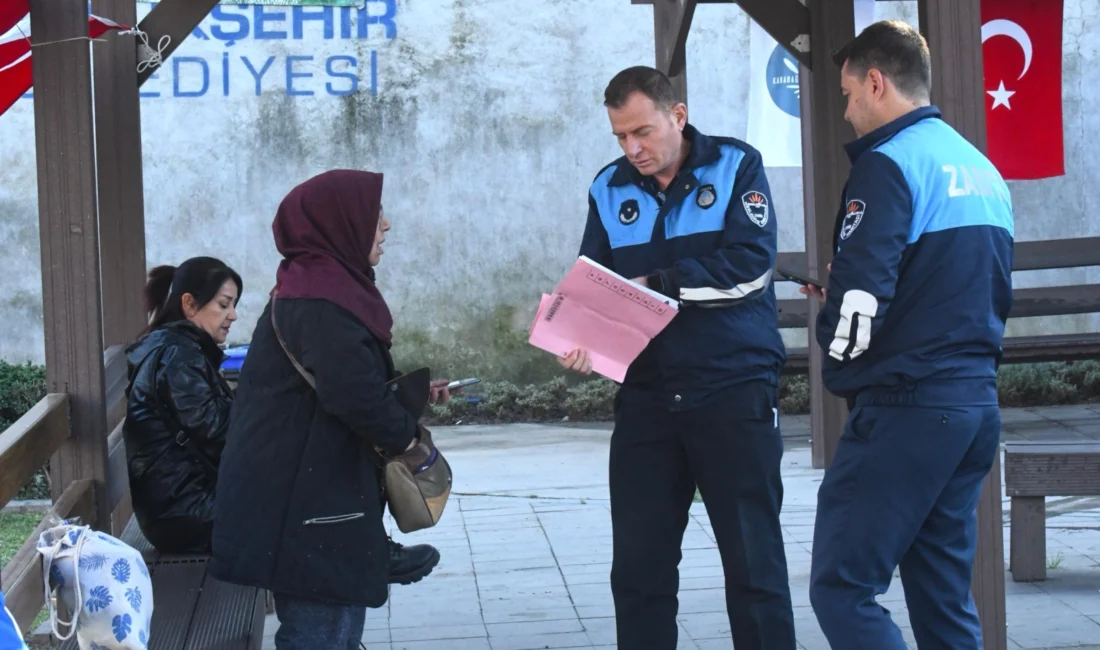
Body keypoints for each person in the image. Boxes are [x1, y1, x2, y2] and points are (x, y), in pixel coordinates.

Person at [560, 66, 795, 649]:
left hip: (731, 388)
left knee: (753, 565)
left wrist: (660, 282)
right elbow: (597, 281)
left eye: (642, 131)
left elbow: (750, 268)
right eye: (619, 136)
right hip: (646, 397)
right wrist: (582, 334)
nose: (632, 149)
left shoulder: (736, 166)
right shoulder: (607, 187)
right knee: (638, 572)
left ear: (678, 116)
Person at [800, 21, 1014, 650]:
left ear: (876, 81)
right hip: (974, 406)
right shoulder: (979, 168)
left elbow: (858, 310)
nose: (845, 111)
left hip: (907, 409)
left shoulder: (887, 165)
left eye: (846, 95)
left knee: (842, 587)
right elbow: (971, 287)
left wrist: (833, 327)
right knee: (942, 596)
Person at [209, 170, 454, 649]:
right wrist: (410, 443)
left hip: (305, 496)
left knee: (332, 626)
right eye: (373, 215)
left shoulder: (317, 290)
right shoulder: (322, 301)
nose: (385, 226)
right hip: (304, 506)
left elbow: (341, 383)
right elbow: (354, 398)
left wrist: (405, 397)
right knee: (322, 632)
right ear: (339, 223)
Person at [123, 256, 241, 554]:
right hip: (185, 515)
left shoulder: (178, 348)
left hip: (176, 506)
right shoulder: (178, 358)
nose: (233, 315)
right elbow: (219, 435)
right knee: (299, 511)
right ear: (189, 304)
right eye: (224, 304)